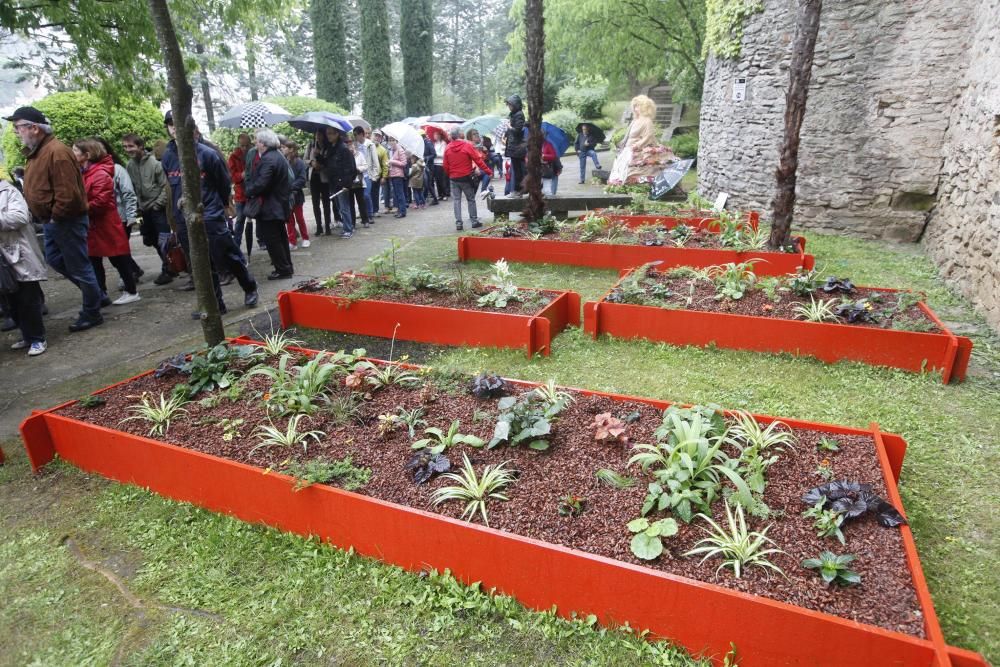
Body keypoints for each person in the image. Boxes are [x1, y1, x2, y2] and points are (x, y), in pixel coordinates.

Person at [6, 106, 104, 332]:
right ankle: (95, 296)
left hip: (64, 220)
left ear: (34, 128)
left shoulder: (56, 151)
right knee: (55, 260)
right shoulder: (39, 151)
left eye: (18, 127)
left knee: (79, 267)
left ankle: (92, 310)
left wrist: (54, 217)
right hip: (52, 221)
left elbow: (68, 194)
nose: (16, 132)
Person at [162, 111, 258, 310]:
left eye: (177, 122)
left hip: (210, 215)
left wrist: (221, 207)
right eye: (170, 124)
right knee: (200, 264)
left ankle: (249, 287)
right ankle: (215, 304)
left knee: (228, 255)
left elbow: (223, 184)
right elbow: (171, 189)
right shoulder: (168, 156)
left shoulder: (207, 154)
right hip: (184, 219)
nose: (174, 127)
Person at [72, 138, 140, 306]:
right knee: (96, 260)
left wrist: (80, 208)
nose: (72, 154)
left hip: (106, 224)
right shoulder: (85, 173)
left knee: (118, 258)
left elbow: (102, 201)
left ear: (87, 155)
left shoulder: (100, 173)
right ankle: (101, 294)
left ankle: (131, 291)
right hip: (95, 225)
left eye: (75, 151)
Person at [0, 179, 47, 356]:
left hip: (20, 255)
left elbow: (20, 217)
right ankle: (27, 335)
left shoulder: (9, 192)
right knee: (11, 303)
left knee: (28, 299)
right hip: (3, 260)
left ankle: (37, 338)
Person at [123, 133, 174, 286]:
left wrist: (158, 204)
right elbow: (132, 188)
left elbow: (166, 186)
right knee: (150, 239)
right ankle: (170, 266)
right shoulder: (130, 165)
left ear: (140, 146)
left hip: (157, 208)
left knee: (164, 240)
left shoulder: (155, 164)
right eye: (125, 147)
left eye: (130, 146)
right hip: (143, 211)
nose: (127, 149)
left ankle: (169, 268)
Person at [94, 136, 144, 285]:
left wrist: (131, 216)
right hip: (108, 218)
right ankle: (133, 271)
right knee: (115, 251)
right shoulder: (93, 171)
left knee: (118, 251)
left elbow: (128, 194)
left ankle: (129, 277)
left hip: (120, 217)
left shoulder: (117, 169)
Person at [245, 128, 293, 278]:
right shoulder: (278, 156)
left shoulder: (268, 159)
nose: (255, 143)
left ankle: (282, 269)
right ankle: (286, 267)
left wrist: (249, 190)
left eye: (257, 141)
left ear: (263, 144)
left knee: (273, 240)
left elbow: (262, 183)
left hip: (270, 206)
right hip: (278, 204)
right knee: (281, 238)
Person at [608, 94, 676, 185]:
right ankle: (620, 183)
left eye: (638, 106)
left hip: (636, 149)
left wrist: (637, 145)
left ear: (644, 107)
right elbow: (628, 135)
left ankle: (634, 183)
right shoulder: (635, 120)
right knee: (620, 169)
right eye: (635, 106)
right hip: (627, 149)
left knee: (633, 170)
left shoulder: (647, 121)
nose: (636, 109)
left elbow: (648, 136)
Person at [442, 126, 492, 231]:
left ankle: (459, 223)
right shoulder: (467, 146)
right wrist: (488, 171)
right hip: (466, 177)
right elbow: (478, 160)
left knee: (456, 200)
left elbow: (445, 165)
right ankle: (474, 221)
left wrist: (450, 174)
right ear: (460, 135)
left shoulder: (448, 148)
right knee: (471, 199)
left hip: (454, 178)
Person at [316, 126, 358, 239]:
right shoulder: (331, 148)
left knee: (344, 207)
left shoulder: (343, 149)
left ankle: (348, 229)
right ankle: (347, 227)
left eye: (331, 133)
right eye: (327, 133)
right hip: (333, 182)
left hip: (341, 183)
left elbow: (351, 167)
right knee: (340, 207)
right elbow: (328, 164)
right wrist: (319, 156)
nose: (328, 136)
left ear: (337, 134)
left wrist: (346, 184)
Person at [229, 133, 255, 255]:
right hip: (240, 193)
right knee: (240, 220)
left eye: (246, 145)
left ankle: (262, 241)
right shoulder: (234, 157)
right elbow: (232, 176)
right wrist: (241, 175)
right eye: (242, 145)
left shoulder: (254, 154)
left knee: (259, 218)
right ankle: (236, 246)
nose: (244, 148)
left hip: (254, 192)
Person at [281, 139, 309, 248]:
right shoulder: (283, 161)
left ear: (291, 149)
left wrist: (290, 187)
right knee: (289, 220)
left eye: (284, 147)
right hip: (286, 196)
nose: (282, 149)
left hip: (296, 195)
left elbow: (302, 179)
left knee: (299, 218)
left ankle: (305, 238)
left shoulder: (299, 162)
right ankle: (292, 241)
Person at [305, 130, 334, 235]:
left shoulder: (328, 147)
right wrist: (312, 163)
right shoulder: (311, 145)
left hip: (324, 178)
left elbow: (329, 162)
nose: (318, 136)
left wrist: (320, 158)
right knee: (315, 203)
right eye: (316, 134)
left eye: (320, 134)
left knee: (326, 202)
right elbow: (305, 159)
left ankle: (327, 226)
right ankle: (318, 226)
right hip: (313, 177)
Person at [344, 133, 371, 229]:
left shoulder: (360, 155)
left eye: (350, 142)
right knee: (350, 203)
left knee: (361, 201)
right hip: (349, 183)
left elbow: (365, 166)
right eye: (347, 143)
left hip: (358, 182)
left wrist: (358, 169)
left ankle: (365, 220)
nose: (349, 144)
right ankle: (353, 223)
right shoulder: (345, 156)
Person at [504, 94, 527, 195]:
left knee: (519, 171)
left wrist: (509, 127)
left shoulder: (519, 114)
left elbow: (517, 130)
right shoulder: (514, 115)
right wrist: (506, 133)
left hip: (517, 147)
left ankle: (520, 190)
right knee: (517, 170)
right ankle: (519, 190)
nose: (509, 107)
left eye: (510, 104)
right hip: (514, 147)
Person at [354, 127, 379, 220]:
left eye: (356, 135)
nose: (355, 137)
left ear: (361, 134)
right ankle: (364, 214)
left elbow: (375, 160)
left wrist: (375, 175)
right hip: (358, 174)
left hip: (368, 173)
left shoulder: (370, 145)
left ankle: (370, 214)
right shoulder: (355, 145)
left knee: (366, 195)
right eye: (354, 135)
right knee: (361, 197)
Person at [386, 136, 409, 219]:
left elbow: (404, 163)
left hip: (398, 175)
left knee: (400, 194)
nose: (391, 142)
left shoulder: (400, 150)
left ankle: (403, 211)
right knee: (396, 194)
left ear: (396, 140)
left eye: (393, 140)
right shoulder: (392, 150)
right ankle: (399, 210)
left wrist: (392, 161)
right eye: (390, 140)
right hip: (392, 174)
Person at [371, 129, 390, 217]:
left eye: (379, 136)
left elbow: (385, 165)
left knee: (375, 193)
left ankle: (375, 210)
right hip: (367, 175)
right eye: (375, 135)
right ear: (372, 136)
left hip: (377, 175)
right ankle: (367, 210)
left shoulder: (383, 150)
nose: (377, 137)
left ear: (381, 138)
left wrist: (384, 177)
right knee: (366, 194)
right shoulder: (367, 146)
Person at [421, 130, 439, 206]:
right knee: (426, 183)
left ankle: (434, 199)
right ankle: (423, 199)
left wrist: (425, 158)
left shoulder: (428, 143)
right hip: (426, 166)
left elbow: (434, 154)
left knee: (428, 183)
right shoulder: (423, 143)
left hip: (429, 166)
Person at [432, 129, 450, 200]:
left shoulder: (443, 143)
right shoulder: (434, 144)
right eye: (434, 135)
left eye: (436, 134)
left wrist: (435, 154)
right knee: (437, 180)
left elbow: (443, 154)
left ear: (439, 136)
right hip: (435, 163)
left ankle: (445, 194)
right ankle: (440, 194)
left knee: (442, 179)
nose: (435, 136)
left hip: (441, 163)